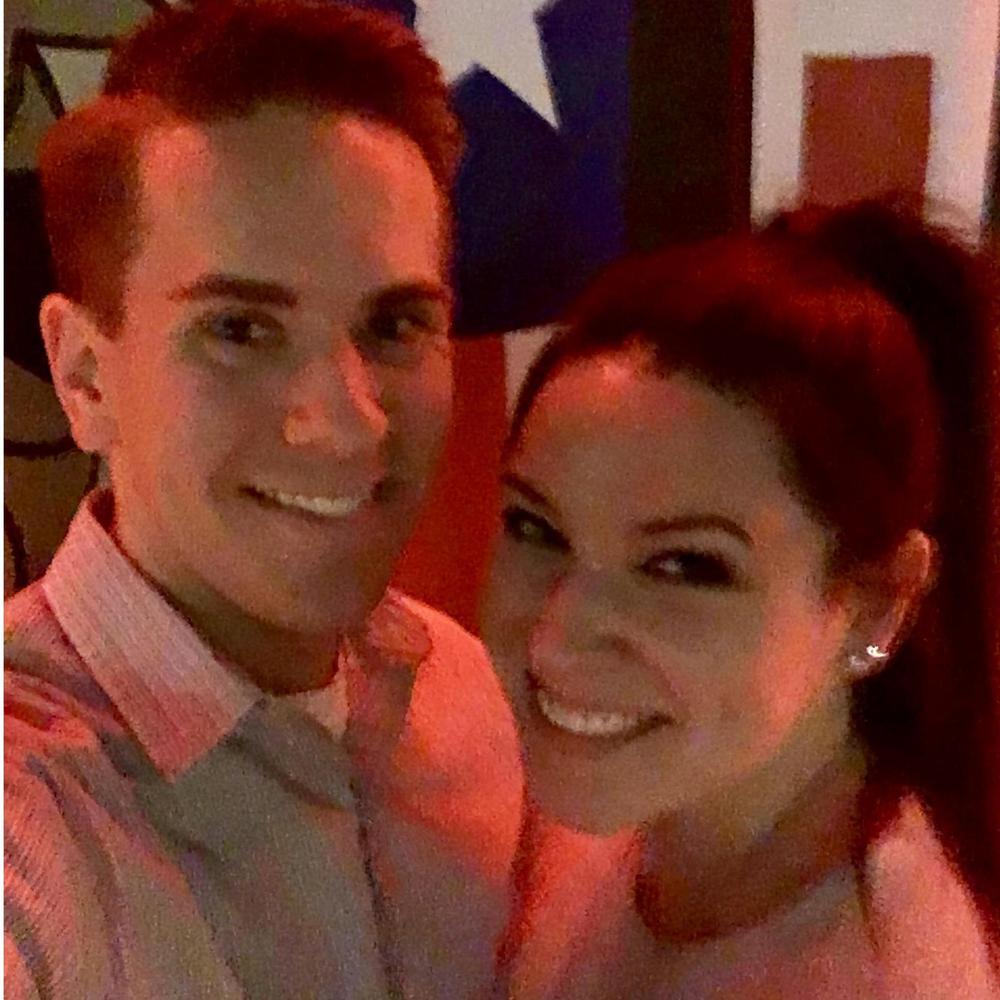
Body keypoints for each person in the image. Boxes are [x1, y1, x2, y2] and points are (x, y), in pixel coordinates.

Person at [4, 3, 523, 997]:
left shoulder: (471, 699)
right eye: (239, 329)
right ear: (84, 376)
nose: (347, 423)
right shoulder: (29, 809)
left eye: (394, 324)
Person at [482, 200, 999, 998]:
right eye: (535, 526)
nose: (556, 640)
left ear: (877, 602)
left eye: (684, 566)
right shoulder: (640, 799)